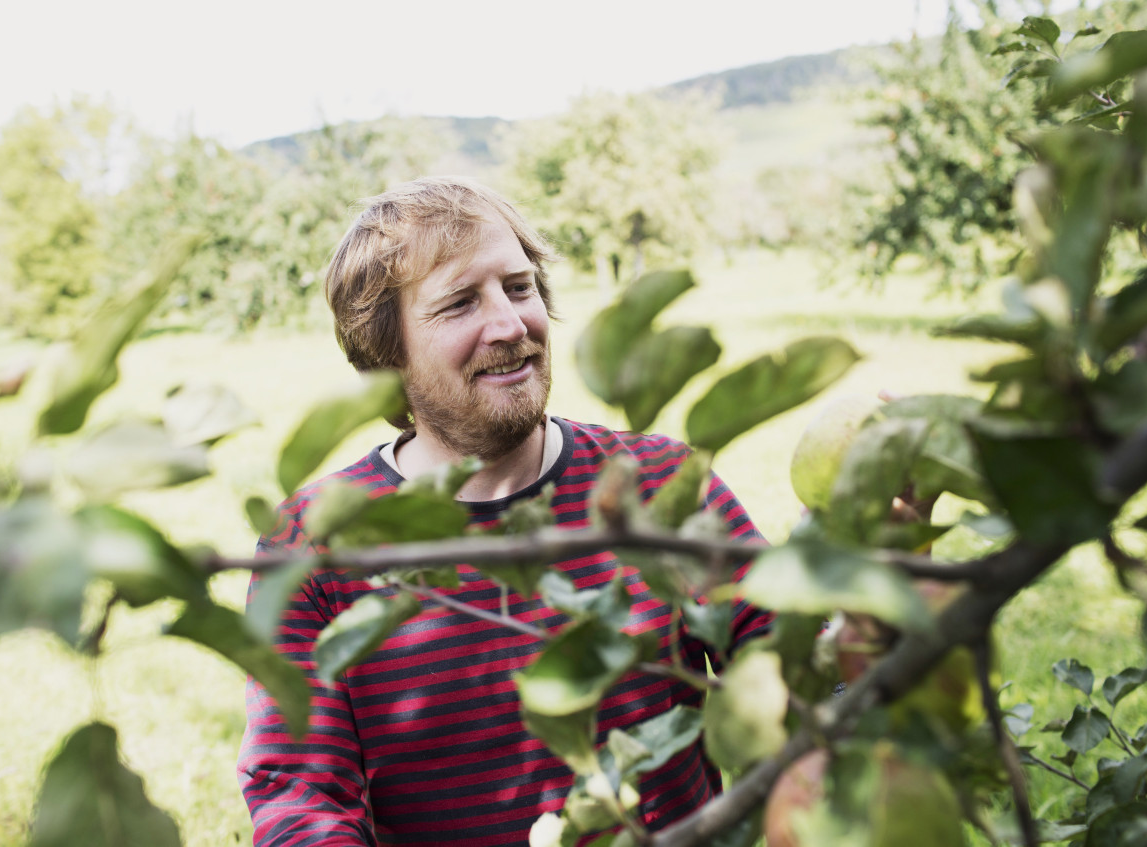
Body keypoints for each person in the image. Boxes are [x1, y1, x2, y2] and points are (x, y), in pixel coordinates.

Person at [238, 176, 771, 847]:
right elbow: (300, 792)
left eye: (519, 288)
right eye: (460, 303)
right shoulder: (317, 543)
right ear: (387, 357)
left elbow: (803, 672)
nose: (511, 323)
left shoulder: (663, 487)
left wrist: (875, 611)